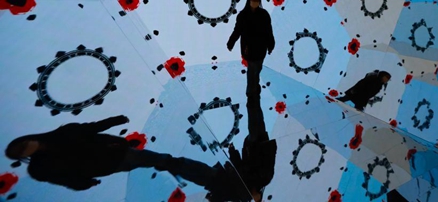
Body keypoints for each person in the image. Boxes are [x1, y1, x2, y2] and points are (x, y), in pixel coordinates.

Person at [4, 116, 184, 190]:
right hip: (107, 163)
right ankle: (169, 164)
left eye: (22, 144)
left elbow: (92, 128)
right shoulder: (38, 168)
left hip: (113, 153)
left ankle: (170, 164)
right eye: (21, 151)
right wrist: (85, 183)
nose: (26, 147)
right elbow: (64, 179)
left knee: (146, 159)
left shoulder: (62, 134)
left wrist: (115, 121)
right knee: (143, 160)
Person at [208, 87, 277, 202]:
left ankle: (253, 91)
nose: (254, 199)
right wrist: (268, 144)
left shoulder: (246, 186)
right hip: (260, 143)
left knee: (254, 113)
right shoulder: (264, 179)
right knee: (256, 115)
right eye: (257, 200)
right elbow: (270, 158)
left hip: (251, 144)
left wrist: (232, 150)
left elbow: (238, 166)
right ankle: (253, 91)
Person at [227, 0, 275, 97]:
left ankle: (254, 87)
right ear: (249, 0)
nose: (255, 2)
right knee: (252, 69)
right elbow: (237, 30)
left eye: (257, 0)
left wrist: (271, 45)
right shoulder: (242, 15)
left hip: (261, 47)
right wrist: (231, 42)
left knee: (257, 69)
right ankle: (251, 91)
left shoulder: (264, 14)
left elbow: (268, 31)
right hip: (248, 48)